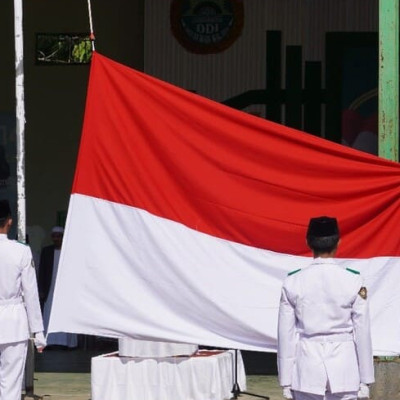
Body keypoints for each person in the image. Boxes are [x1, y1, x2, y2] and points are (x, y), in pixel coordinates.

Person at [277, 216, 374, 400]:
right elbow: (363, 332)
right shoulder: (353, 280)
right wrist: (366, 379)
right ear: (338, 241)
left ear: (308, 242)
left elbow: (285, 335)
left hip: (306, 370)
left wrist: (286, 380)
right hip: (345, 370)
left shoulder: (293, 282)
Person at [0, 199, 46, 400]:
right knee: (10, 385)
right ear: (9, 221)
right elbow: (31, 293)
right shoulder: (20, 250)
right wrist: (38, 332)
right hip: (12, 323)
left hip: (12, 319)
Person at [38, 226, 78, 348]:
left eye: (59, 236)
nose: (56, 239)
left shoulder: (70, 250)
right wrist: (41, 290)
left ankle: (66, 343)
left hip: (66, 290)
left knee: (65, 313)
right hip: (50, 289)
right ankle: (49, 342)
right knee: (49, 314)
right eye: (54, 236)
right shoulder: (46, 251)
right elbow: (42, 271)